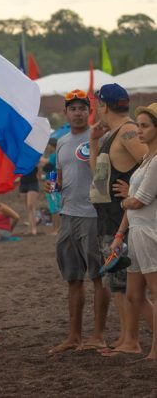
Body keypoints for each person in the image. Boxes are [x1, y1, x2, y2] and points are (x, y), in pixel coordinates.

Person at [89, 83, 151, 353]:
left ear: (103, 105)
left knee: (122, 280)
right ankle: (127, 337)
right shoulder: (111, 134)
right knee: (115, 280)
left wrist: (135, 190)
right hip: (109, 215)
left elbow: (152, 159)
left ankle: (132, 341)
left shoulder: (127, 131)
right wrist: (93, 142)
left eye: (97, 105)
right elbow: (99, 175)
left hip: (121, 217)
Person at [47, 89, 109, 353]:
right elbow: (59, 177)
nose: (78, 112)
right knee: (73, 278)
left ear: (89, 111)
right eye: (73, 108)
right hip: (68, 215)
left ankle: (98, 336)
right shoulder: (61, 142)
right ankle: (74, 336)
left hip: (94, 216)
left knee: (99, 278)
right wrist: (53, 187)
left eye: (82, 108)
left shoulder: (100, 136)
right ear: (66, 113)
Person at [108, 103, 157, 358]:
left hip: (150, 232)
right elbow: (134, 202)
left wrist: (127, 199)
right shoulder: (146, 159)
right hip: (135, 231)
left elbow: (138, 201)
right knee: (134, 294)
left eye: (145, 126)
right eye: (138, 125)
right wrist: (119, 234)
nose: (139, 130)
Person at [41, 139, 61, 235]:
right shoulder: (57, 154)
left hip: (52, 180)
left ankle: (56, 229)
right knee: (55, 206)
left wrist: (40, 160)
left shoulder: (54, 155)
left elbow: (47, 167)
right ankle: (56, 228)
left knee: (54, 206)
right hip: (54, 179)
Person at [19, 166, 39, 235]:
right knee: (27, 208)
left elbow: (39, 169)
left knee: (31, 206)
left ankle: (34, 228)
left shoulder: (35, 157)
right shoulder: (21, 158)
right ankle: (29, 228)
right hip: (23, 183)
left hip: (33, 183)